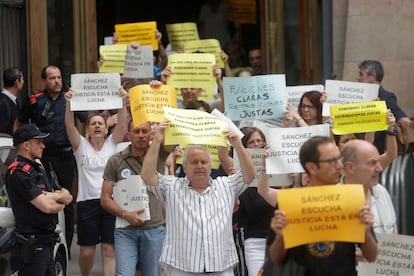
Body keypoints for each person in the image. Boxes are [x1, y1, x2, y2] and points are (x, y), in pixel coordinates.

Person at [141, 122, 256, 275]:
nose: (200, 166)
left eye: (204, 162)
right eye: (194, 162)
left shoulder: (225, 185)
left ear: (210, 166)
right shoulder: (172, 186)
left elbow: (250, 175)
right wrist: (156, 141)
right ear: (185, 167)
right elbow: (148, 176)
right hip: (181, 267)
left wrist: (238, 145)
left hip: (221, 266)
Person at [268, 136, 377, 276]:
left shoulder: (350, 199)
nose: (339, 165)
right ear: (311, 167)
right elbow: (275, 258)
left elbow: (372, 256)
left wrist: (366, 232)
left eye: (339, 159)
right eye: (331, 161)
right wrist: (280, 237)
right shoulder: (290, 204)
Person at [16, 65, 88, 255]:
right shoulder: (35, 100)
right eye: (52, 78)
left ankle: (67, 247)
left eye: (58, 77)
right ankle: (49, 238)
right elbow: (20, 122)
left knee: (67, 199)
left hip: (65, 155)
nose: (57, 81)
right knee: (44, 194)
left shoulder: (70, 98)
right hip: (43, 156)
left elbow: (86, 119)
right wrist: (20, 144)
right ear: (45, 81)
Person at [65, 87, 128, 276]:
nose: (98, 126)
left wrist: (123, 102)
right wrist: (69, 103)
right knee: (87, 252)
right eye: (93, 124)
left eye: (101, 123)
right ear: (88, 129)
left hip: (110, 202)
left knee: (109, 250)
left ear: (107, 128)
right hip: (87, 204)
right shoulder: (80, 146)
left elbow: (123, 124)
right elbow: (69, 126)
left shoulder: (112, 144)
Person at [100, 121, 170, 275]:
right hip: (125, 229)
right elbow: (105, 198)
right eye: (136, 131)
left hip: (155, 228)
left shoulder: (159, 153)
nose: (140, 135)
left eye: (144, 131)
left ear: (150, 133)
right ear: (128, 133)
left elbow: (174, 138)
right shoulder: (115, 160)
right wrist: (125, 214)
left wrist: (165, 125)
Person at [6, 124, 73, 275]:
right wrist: (57, 199)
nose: (43, 145)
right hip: (32, 247)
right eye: (38, 142)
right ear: (26, 145)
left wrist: (51, 197)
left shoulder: (40, 168)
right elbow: (47, 207)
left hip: (48, 243)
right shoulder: (18, 172)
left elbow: (68, 196)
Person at [233, 127, 274, 276]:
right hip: (255, 239)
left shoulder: (280, 170)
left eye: (259, 140)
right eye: (252, 142)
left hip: (278, 238)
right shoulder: (241, 175)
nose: (257, 144)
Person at [341, 139, 398, 234]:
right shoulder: (334, 203)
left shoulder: (381, 191)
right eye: (372, 163)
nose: (379, 168)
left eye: (378, 162)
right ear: (350, 167)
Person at [357, 60, 411, 153]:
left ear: (373, 76)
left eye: (361, 74)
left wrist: (402, 120)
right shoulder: (358, 96)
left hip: (377, 149)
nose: (358, 78)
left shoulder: (385, 96)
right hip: (357, 146)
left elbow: (399, 115)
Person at [0, 67, 24, 135]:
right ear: (17, 82)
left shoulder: (13, 100)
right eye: (22, 79)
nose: (23, 82)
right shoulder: (3, 103)